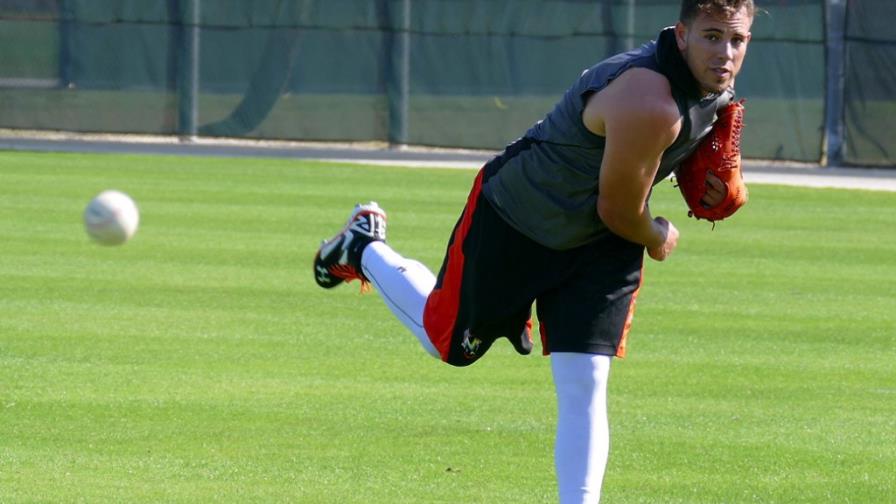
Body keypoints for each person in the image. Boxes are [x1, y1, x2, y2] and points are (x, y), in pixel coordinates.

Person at [312, 1, 754, 502]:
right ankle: (364, 246)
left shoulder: (714, 90)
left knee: (586, 379)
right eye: (711, 37)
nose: (725, 52)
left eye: (737, 40)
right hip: (520, 218)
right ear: (681, 35)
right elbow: (620, 210)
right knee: (447, 344)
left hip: (602, 244)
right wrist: (658, 235)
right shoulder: (648, 98)